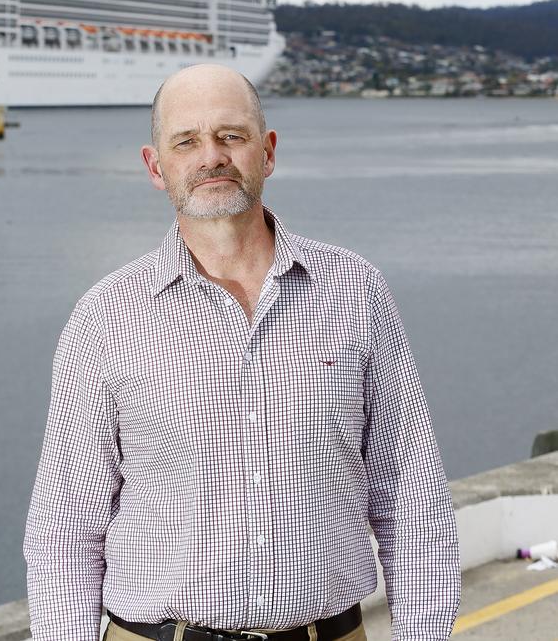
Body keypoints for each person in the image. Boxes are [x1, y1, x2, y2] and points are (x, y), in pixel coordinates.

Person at [24, 64, 461, 641]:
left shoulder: (356, 291)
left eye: (232, 135)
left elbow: (414, 501)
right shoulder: (105, 317)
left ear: (268, 151)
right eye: (187, 141)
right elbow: (64, 533)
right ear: (156, 166)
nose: (212, 157)